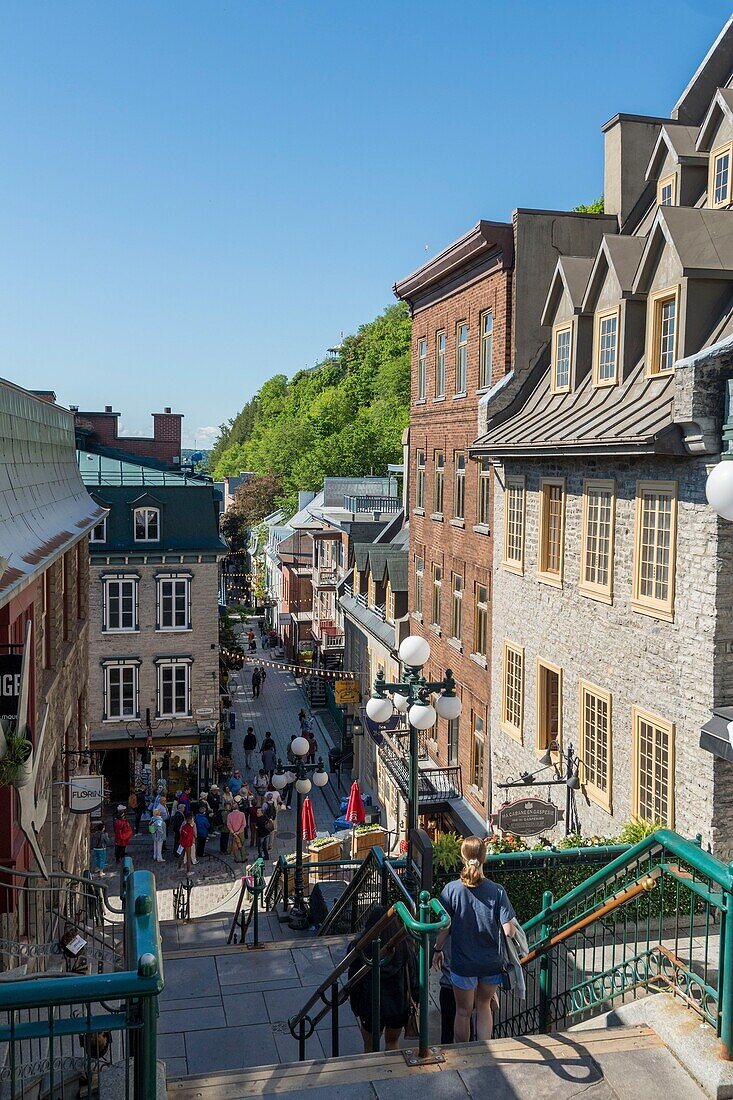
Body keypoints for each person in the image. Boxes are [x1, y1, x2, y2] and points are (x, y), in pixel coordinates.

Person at [433, 836, 518, 1043]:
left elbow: (445, 927)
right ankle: (483, 1050)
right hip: (491, 962)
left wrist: (437, 949)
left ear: (463, 857)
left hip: (463, 963)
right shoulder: (497, 891)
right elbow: (508, 931)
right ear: (484, 857)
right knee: (484, 1006)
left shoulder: (451, 890)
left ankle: (464, 1053)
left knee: (463, 1012)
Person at [348, 905, 418, 1052]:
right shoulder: (405, 947)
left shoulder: (360, 948)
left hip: (370, 1007)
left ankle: (372, 1073)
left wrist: (356, 1006)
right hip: (397, 1007)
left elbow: (353, 981)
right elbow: (413, 977)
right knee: (392, 1044)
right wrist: (417, 998)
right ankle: (391, 1072)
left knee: (369, 1047)